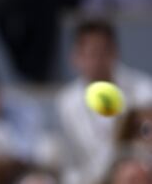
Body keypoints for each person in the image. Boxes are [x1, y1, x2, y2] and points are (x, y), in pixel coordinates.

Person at [55, 18, 152, 184]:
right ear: (76, 57)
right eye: (90, 53)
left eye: (103, 52)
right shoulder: (66, 103)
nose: (97, 61)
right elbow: (70, 165)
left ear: (115, 52)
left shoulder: (145, 91)